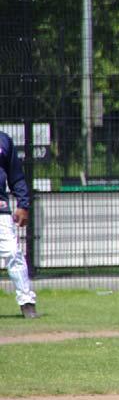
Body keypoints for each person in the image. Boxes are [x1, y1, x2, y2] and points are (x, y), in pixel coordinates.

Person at [0, 131, 38, 318]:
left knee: (13, 253)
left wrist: (23, 204)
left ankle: (27, 302)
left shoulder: (3, 140)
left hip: (1, 209)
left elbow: (15, 176)